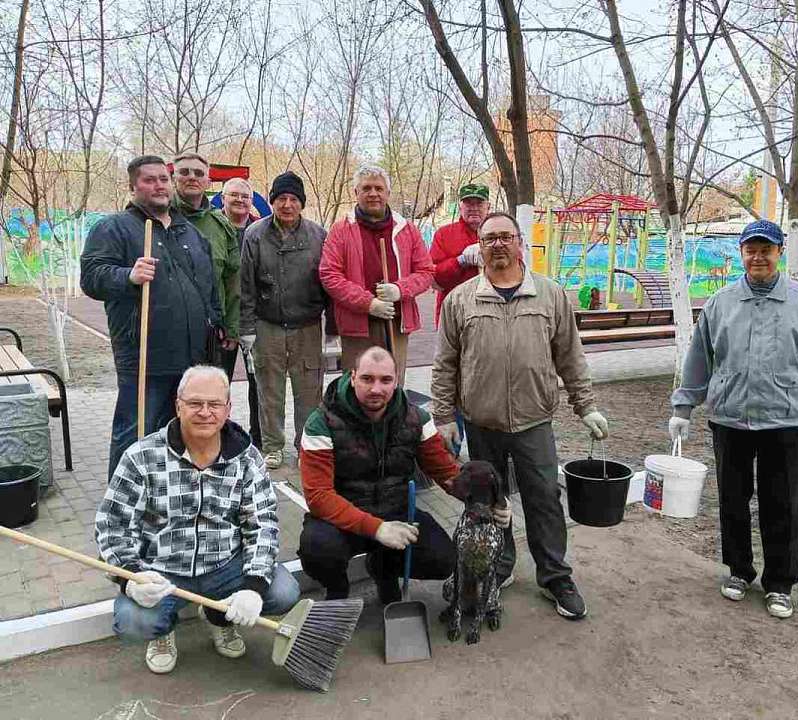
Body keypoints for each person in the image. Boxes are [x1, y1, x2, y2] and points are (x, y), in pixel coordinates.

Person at [669, 219, 798, 620]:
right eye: (750, 250)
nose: (758, 257)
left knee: (781, 504)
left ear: (779, 253)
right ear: (741, 254)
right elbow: (699, 359)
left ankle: (780, 583)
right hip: (729, 419)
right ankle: (739, 571)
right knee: (732, 501)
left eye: (765, 250)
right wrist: (684, 407)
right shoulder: (720, 303)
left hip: (781, 421)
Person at [431, 212, 609, 621]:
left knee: (544, 497)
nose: (498, 244)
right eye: (489, 238)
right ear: (479, 247)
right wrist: (443, 416)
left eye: (505, 237)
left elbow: (570, 356)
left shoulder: (549, 294)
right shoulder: (461, 300)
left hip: (534, 421)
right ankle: (499, 565)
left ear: (519, 243)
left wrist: (586, 406)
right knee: (488, 501)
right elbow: (445, 365)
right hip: (481, 422)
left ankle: (555, 577)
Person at [94, 365, 300, 675]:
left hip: (226, 565)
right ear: (178, 406)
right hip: (162, 572)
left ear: (228, 409)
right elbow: (112, 527)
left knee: (283, 592)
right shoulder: (141, 457)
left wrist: (254, 586)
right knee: (133, 622)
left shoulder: (247, 459)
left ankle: (219, 617)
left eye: (214, 404)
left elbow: (263, 525)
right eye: (195, 403)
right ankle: (163, 633)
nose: (205, 412)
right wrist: (131, 578)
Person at [297, 346, 510, 603]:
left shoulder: (416, 419)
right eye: (367, 379)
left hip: (396, 512)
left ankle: (383, 571)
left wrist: (490, 501)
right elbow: (319, 496)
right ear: (352, 377)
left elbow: (446, 472)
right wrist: (376, 528)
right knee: (317, 549)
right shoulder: (321, 423)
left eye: (385, 380)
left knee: (443, 559)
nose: (376, 389)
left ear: (397, 380)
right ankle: (337, 589)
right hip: (342, 518)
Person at [80, 155, 223, 481]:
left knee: (182, 432)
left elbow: (208, 287)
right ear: (133, 187)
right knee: (135, 432)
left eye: (163, 179)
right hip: (145, 355)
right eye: (149, 180)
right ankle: (124, 498)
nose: (159, 185)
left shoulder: (190, 232)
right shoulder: (114, 228)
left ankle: (171, 490)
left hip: (192, 357)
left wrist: (214, 322)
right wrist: (127, 276)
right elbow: (91, 278)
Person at [239, 171, 327, 470]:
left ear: (301, 203)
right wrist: (247, 330)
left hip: (307, 326)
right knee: (269, 391)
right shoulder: (255, 235)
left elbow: (328, 282)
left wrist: (333, 328)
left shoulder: (318, 236)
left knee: (309, 391)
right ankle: (272, 446)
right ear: (272, 201)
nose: (287, 205)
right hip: (268, 326)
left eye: (293, 199)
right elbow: (246, 286)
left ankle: (307, 446)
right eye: (281, 199)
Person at [319, 164, 434, 386]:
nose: (373, 193)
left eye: (379, 188)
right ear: (356, 192)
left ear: (388, 193)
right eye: (366, 188)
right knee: (358, 386)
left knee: (392, 384)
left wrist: (400, 289)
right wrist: (368, 303)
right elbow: (329, 275)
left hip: (396, 321)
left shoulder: (406, 229)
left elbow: (426, 271)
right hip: (357, 325)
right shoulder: (341, 229)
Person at [171, 153, 241, 380]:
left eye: (199, 173)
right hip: (167, 333)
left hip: (210, 333)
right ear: (173, 178)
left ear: (208, 182)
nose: (192, 177)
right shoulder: (156, 219)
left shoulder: (220, 225)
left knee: (210, 394)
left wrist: (232, 328)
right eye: (184, 172)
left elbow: (233, 280)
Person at [221, 176, 262, 449]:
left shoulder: (260, 231)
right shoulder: (213, 228)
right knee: (218, 381)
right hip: (221, 322)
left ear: (251, 201)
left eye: (244, 196)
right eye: (233, 195)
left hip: (253, 321)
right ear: (223, 198)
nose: (239, 200)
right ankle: (218, 434)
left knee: (258, 384)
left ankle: (258, 437)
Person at [429, 183, 490, 323]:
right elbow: (434, 278)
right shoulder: (444, 234)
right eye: (469, 203)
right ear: (460, 206)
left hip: (491, 311)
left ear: (488, 206)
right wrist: (460, 261)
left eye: (479, 203)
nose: (474, 208)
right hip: (454, 311)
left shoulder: (500, 234)